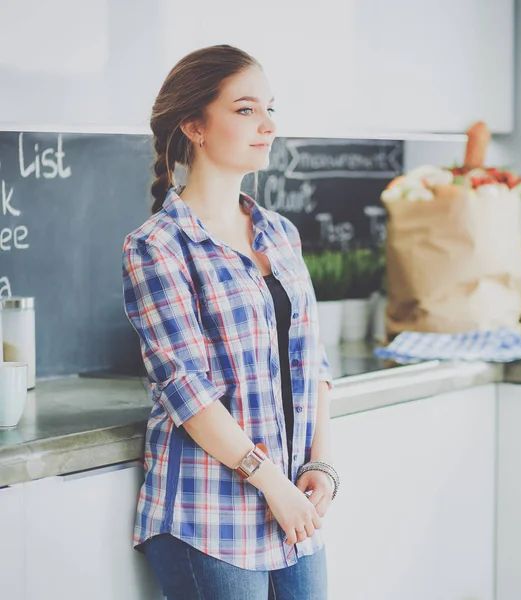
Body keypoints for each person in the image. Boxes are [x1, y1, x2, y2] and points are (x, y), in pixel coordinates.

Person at [122, 45, 340, 600]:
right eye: (246, 110)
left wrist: (320, 464)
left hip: (292, 508)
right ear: (194, 124)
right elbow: (189, 393)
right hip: (209, 515)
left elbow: (311, 362)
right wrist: (273, 485)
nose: (267, 125)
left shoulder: (280, 235)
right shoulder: (158, 247)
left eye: (270, 109)